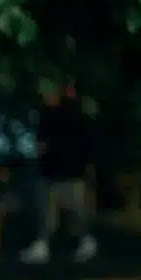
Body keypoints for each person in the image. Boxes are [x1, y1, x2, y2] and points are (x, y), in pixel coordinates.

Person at [19, 85, 98, 263]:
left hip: (59, 170)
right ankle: (45, 245)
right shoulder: (77, 116)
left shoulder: (54, 115)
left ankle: (49, 245)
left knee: (67, 210)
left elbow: (42, 144)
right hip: (65, 171)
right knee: (64, 211)